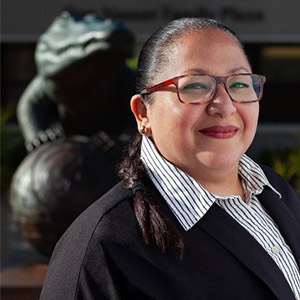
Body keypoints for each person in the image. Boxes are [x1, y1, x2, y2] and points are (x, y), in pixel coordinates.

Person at [40, 17, 300, 299]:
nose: (224, 106)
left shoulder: (275, 191)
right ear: (143, 113)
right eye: (195, 86)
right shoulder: (101, 246)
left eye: (239, 84)